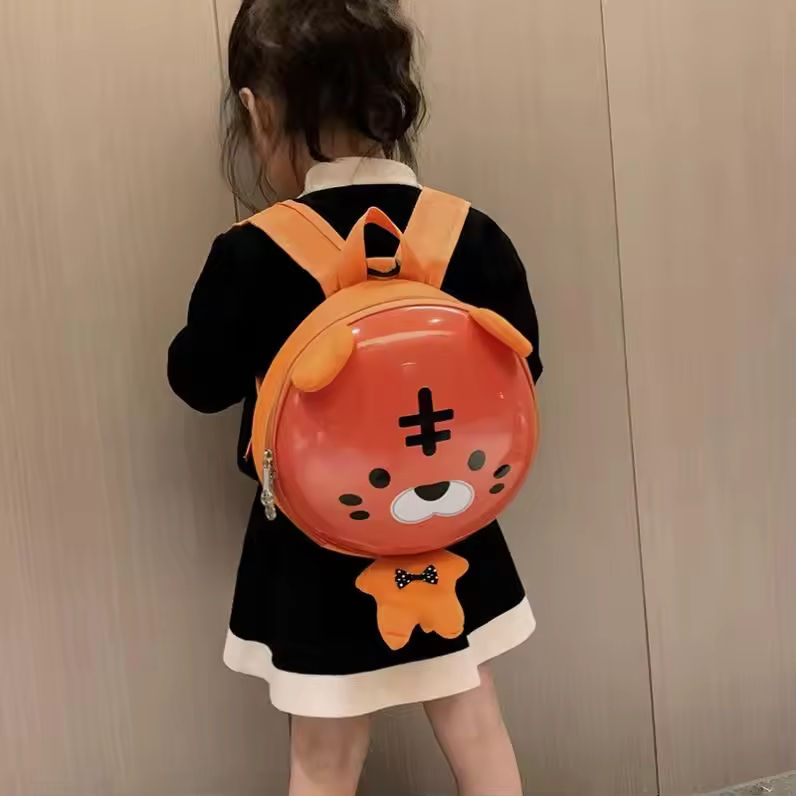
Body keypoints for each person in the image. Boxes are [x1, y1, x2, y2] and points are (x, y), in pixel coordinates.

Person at [168, 1, 543, 794]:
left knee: (325, 756)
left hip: (315, 545)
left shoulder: (251, 255)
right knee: (477, 727)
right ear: (392, 100)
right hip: (453, 527)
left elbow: (197, 381)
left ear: (256, 110)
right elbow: (523, 371)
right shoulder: (469, 233)